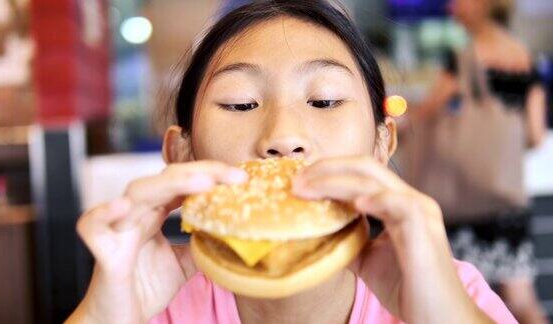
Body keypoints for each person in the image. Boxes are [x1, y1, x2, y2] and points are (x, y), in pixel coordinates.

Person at [66, 1, 518, 323]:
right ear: (181, 155)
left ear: (382, 145)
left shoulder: (451, 294)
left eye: (324, 100)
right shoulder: (143, 304)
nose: (283, 137)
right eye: (240, 104)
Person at [409, 0, 548, 323]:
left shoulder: (465, 58)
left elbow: (425, 113)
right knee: (522, 300)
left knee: (461, 296)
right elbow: (536, 134)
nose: (452, 7)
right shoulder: (525, 57)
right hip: (508, 201)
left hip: (464, 200)